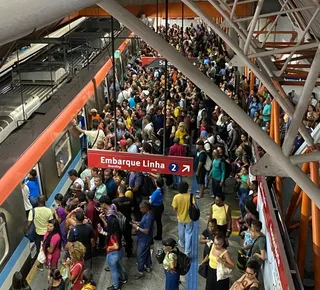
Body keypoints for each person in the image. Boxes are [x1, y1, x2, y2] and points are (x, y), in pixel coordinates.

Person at [98, 207, 126, 290]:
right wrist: (102, 231)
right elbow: (108, 232)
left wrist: (109, 247)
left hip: (113, 254)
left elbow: (116, 246)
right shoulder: (117, 231)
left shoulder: (113, 236)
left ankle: (115, 286)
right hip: (120, 252)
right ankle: (123, 278)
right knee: (118, 266)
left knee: (113, 270)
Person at [132, 201, 154, 279]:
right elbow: (144, 224)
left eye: (141, 209)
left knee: (140, 255)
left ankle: (140, 271)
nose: (140, 210)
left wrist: (137, 227)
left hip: (144, 239)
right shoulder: (147, 214)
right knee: (146, 252)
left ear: (145, 208)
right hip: (144, 238)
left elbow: (146, 230)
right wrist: (138, 223)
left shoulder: (148, 217)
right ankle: (148, 266)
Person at [172, 182, 194, 258]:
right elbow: (195, 207)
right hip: (189, 218)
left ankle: (182, 242)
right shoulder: (190, 196)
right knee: (188, 234)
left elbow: (174, 208)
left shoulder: (176, 197)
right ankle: (187, 252)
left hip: (180, 218)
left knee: (181, 232)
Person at [112, 184, 133, 257]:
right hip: (128, 220)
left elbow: (113, 211)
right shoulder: (129, 200)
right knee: (128, 237)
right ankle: (129, 251)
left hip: (119, 222)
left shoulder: (115, 201)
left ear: (119, 190)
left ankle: (118, 252)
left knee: (118, 237)